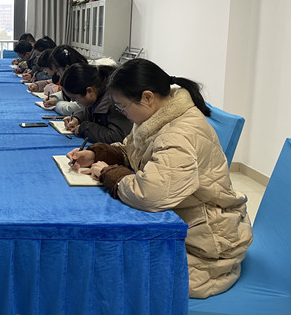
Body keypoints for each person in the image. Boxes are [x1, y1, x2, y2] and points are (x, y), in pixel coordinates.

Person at [66, 58, 253, 298]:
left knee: (108, 272)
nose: (123, 114)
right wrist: (97, 154)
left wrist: (108, 173)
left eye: (122, 107)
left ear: (147, 97)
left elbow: (151, 194)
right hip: (188, 224)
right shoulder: (156, 117)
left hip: (207, 247)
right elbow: (132, 150)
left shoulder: (179, 134)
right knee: (104, 262)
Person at [60, 63, 132, 143]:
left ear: (89, 91)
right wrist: (77, 118)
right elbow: (93, 114)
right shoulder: (97, 95)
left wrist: (84, 128)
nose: (74, 101)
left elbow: (117, 136)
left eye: (75, 99)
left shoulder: (115, 101)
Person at [43, 45, 87, 115]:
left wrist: (57, 104)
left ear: (67, 68)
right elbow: (68, 93)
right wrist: (54, 99)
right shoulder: (76, 75)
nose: (58, 74)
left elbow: (76, 108)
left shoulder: (83, 77)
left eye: (57, 71)